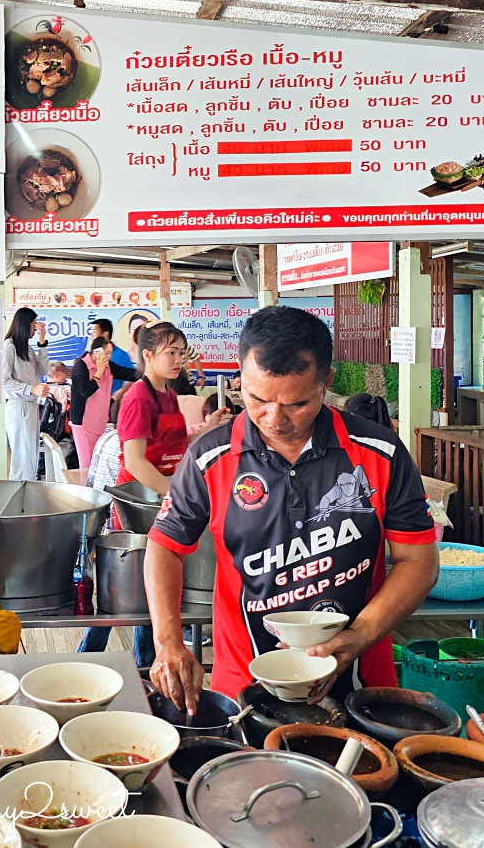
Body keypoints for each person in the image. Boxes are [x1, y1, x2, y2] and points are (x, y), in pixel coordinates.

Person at [146, 306, 440, 715]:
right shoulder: (209, 458)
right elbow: (164, 546)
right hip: (243, 683)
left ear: (327, 383)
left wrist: (360, 635)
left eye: (297, 404)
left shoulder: (381, 453)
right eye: (257, 399)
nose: (275, 419)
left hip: (358, 680)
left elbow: (418, 560)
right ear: (240, 377)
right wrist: (169, 643)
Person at [78, 322, 227, 666]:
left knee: (147, 590)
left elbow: (173, 445)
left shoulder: (168, 395)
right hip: (138, 504)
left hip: (160, 499)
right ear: (148, 356)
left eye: (181, 353)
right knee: (127, 594)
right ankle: (91, 661)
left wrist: (208, 429)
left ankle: (143, 663)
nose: (179, 360)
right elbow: (136, 461)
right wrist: (175, 493)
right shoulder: (138, 399)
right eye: (170, 353)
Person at [69, 337, 139, 468]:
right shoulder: (80, 367)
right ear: (96, 352)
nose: (109, 357)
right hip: (83, 422)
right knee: (87, 464)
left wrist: (148, 372)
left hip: (99, 421)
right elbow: (85, 391)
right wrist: (99, 372)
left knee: (97, 462)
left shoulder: (109, 366)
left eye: (110, 353)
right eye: (106, 353)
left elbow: (128, 373)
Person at [3, 307, 51, 481]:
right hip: (19, 406)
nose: (35, 329)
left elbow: (44, 369)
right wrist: (30, 389)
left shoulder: (27, 349)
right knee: (21, 458)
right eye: (33, 325)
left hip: (30, 405)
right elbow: (4, 380)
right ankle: (18, 496)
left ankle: (26, 494)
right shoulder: (9, 347)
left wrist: (42, 340)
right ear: (25, 325)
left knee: (30, 456)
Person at [90, 318, 135, 399]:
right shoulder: (88, 357)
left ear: (105, 334)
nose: (91, 337)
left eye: (94, 332)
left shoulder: (121, 355)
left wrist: (122, 390)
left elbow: (132, 376)